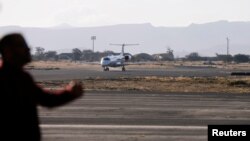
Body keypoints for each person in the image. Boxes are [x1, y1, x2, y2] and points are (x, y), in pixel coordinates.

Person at [0, 33, 84, 141]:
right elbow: (47, 100)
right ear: (8, 52)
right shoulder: (14, 79)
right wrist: (70, 92)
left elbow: (47, 100)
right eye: (21, 46)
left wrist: (70, 93)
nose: (28, 49)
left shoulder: (22, 77)